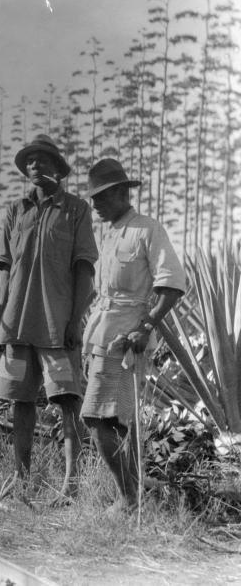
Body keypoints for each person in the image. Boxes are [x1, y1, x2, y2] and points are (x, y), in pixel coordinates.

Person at [0, 135, 98, 503]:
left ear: (57, 167)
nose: (35, 166)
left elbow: (84, 268)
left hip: (58, 324)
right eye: (30, 161)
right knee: (21, 402)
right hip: (17, 323)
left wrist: (74, 320)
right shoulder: (15, 211)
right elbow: (4, 268)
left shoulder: (75, 210)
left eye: (43, 160)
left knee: (67, 400)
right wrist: (0, 322)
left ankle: (71, 485)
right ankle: (21, 481)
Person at [80, 158, 185, 512]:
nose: (96, 204)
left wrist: (147, 325)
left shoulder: (147, 229)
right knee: (115, 419)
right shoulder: (110, 235)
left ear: (123, 193)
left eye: (103, 197)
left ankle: (128, 498)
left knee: (98, 417)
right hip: (101, 333)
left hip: (127, 337)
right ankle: (133, 496)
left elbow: (171, 284)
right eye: (93, 198)